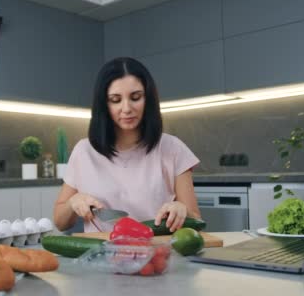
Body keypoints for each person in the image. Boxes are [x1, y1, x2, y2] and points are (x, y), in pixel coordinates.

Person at [53, 57, 201, 233]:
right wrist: (73, 202)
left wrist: (181, 210)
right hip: (100, 257)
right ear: (104, 104)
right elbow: (60, 222)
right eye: (115, 100)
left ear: (148, 99)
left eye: (136, 97)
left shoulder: (172, 148)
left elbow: (196, 221)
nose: (127, 108)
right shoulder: (84, 151)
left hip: (158, 256)